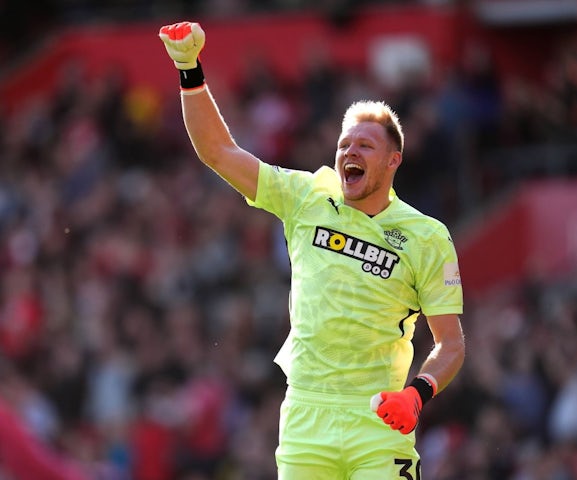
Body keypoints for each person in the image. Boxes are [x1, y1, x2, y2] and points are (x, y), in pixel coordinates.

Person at [159, 21, 465, 480]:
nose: (349, 152)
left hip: (378, 418)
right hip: (305, 414)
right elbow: (219, 152)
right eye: (344, 144)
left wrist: (416, 394)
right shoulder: (306, 195)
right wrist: (189, 69)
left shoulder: (426, 235)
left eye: (365, 144)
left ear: (393, 160)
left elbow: (452, 343)